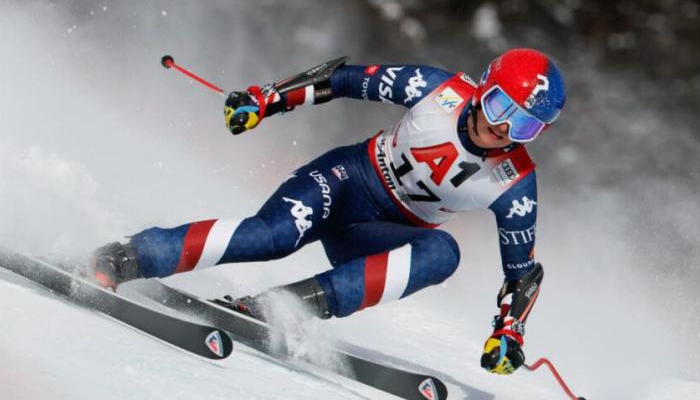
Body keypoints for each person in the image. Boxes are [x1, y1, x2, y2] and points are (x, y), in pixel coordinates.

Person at [92, 48, 565, 375]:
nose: (503, 129)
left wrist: (510, 332)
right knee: (270, 237)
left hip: (378, 234)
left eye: (524, 124)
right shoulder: (435, 89)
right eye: (502, 106)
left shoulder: (515, 182)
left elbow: (521, 273)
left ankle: (279, 308)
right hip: (343, 183)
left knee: (444, 253)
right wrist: (267, 99)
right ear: (484, 87)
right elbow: (343, 79)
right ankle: (124, 257)